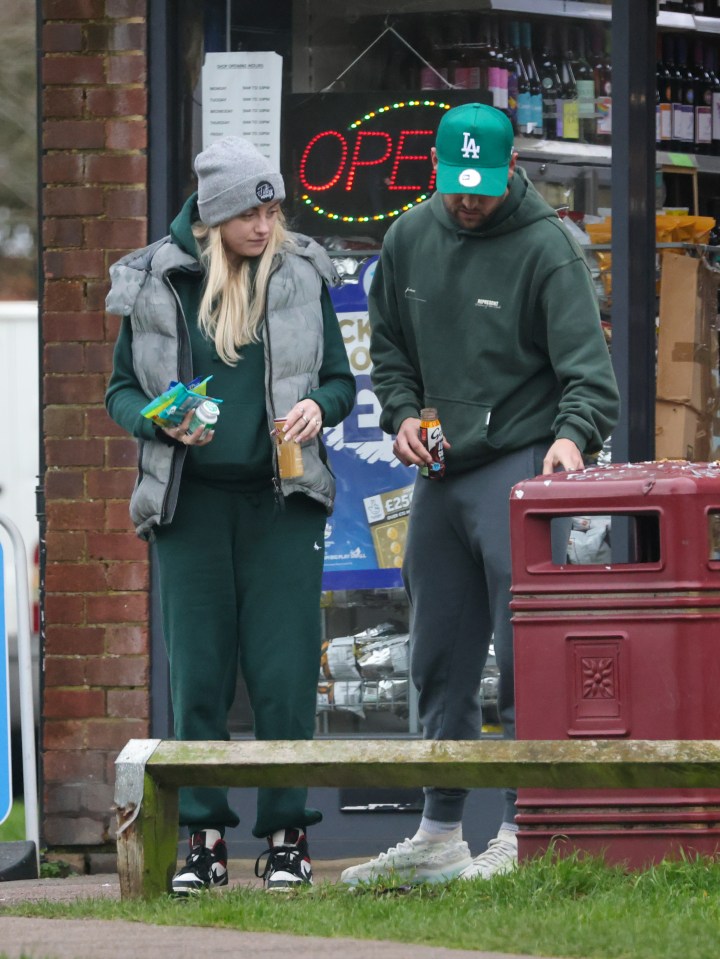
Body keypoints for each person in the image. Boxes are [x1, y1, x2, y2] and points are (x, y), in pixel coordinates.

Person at [341, 103, 620, 886]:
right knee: (438, 653)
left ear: (509, 172)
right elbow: (388, 346)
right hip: (440, 468)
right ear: (437, 170)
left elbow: (591, 381)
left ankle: (528, 822)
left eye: (484, 186)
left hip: (520, 461)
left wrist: (571, 439)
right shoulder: (408, 238)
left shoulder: (547, 249)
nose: (470, 199)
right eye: (457, 185)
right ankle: (439, 828)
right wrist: (398, 415)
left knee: (523, 648)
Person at [105, 136, 355, 893]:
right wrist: (159, 419)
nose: (265, 224)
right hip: (190, 506)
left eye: (273, 208)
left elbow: (340, 380)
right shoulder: (156, 282)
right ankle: (203, 838)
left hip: (284, 502)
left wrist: (317, 406)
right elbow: (118, 391)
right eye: (252, 210)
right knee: (201, 676)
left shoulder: (302, 271)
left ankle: (287, 838)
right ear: (215, 217)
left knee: (283, 675)